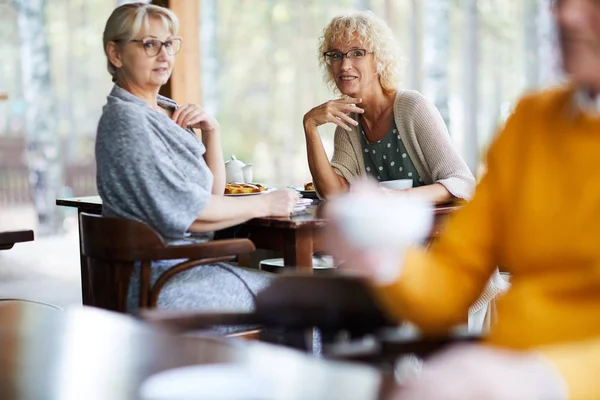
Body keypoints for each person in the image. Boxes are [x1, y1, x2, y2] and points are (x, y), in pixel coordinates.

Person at [328, 0, 600, 398]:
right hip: (501, 370)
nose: (565, 15)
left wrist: (546, 380)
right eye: (559, 1)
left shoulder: (412, 106)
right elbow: (450, 282)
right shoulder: (533, 122)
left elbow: (458, 180)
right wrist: (382, 254)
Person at [96, 3, 298, 318]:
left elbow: (209, 198)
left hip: (185, 269)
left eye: (169, 43)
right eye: (150, 44)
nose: (164, 55)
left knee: (301, 296)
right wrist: (267, 204)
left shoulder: (163, 110)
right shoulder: (128, 121)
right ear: (116, 54)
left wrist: (212, 133)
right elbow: (191, 212)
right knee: (307, 304)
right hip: (164, 281)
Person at [303, 11, 475, 204]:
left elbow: (462, 182)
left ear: (379, 59)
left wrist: (401, 197)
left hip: (435, 232)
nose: (344, 65)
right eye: (336, 55)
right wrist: (310, 126)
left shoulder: (413, 107)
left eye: (357, 53)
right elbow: (333, 193)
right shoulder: (349, 124)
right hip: (382, 233)